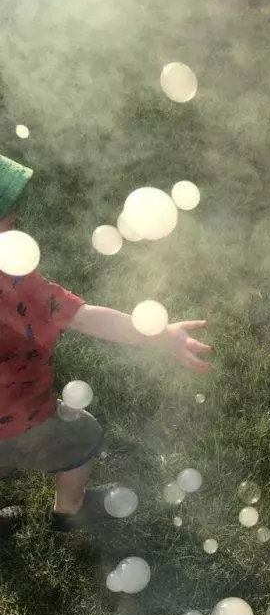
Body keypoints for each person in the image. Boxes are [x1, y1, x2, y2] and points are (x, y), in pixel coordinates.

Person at [0, 154, 212, 532]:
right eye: (5, 213)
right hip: (24, 417)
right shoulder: (16, 284)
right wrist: (160, 334)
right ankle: (69, 512)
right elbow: (85, 316)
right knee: (81, 438)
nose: (15, 212)